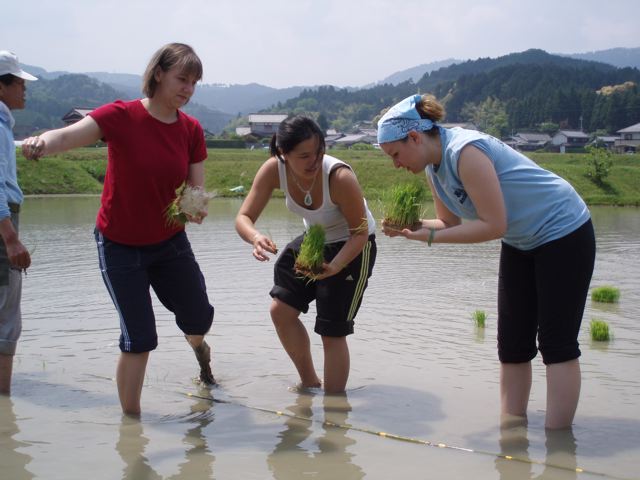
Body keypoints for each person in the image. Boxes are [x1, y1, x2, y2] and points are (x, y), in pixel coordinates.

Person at [377, 94, 595, 429]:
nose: (396, 164)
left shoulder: (465, 152)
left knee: (556, 343)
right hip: (521, 240)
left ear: (415, 137)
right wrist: (412, 229)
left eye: (395, 154)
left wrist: (430, 238)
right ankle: (512, 433)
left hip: (563, 230)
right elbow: (449, 223)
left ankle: (558, 442)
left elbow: (494, 225)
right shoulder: (434, 168)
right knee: (512, 344)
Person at [21, 43, 215, 414]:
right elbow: (68, 135)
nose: (188, 89)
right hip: (120, 245)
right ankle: (133, 428)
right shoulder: (120, 116)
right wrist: (41, 142)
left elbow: (195, 189)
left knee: (199, 317)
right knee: (139, 338)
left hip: (170, 242)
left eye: (194, 83)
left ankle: (199, 349)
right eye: (182, 79)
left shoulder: (190, 130)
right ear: (158, 73)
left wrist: (196, 207)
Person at [235, 116, 376, 393]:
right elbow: (243, 216)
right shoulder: (274, 170)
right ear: (282, 154)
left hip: (353, 245)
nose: (314, 161)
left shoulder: (339, 177)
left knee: (331, 330)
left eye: (318, 152)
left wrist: (335, 266)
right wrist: (255, 237)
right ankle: (309, 383)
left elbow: (359, 234)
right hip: (315, 239)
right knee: (281, 310)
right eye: (304, 156)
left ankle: (334, 407)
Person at [0, 51, 37, 395]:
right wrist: (10, 236)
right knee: (6, 316)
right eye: (19, 83)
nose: (24, 90)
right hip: (3, 222)